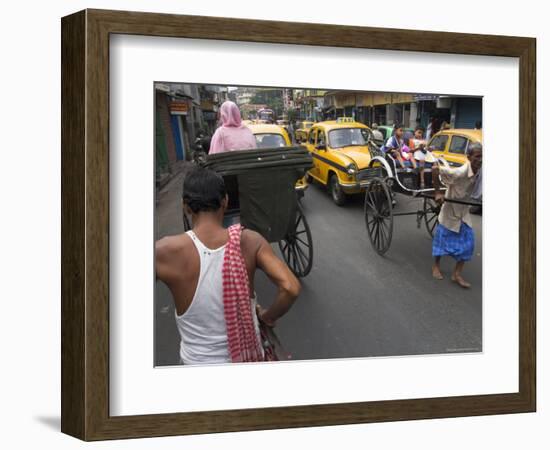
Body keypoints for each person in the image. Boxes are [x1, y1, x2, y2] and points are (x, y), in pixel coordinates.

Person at [155, 166, 300, 365]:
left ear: (185, 206)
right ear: (225, 202)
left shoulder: (163, 251)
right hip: (246, 361)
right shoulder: (250, 241)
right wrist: (266, 317)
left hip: (195, 366)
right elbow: (290, 288)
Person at [430, 142, 483, 288]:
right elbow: (435, 169)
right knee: (441, 242)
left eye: (482, 156)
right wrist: (438, 192)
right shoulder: (460, 172)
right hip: (451, 209)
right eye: (477, 157)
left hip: (463, 211)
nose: (480, 160)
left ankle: (457, 274)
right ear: (469, 157)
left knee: (469, 243)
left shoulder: (481, 171)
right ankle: (436, 266)